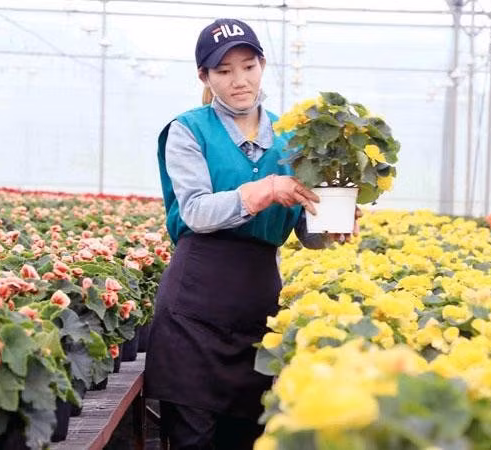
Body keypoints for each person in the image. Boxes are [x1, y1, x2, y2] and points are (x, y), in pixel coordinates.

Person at [144, 18, 358, 450]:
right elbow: (197, 211)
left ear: (262, 65)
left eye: (248, 66)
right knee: (192, 439)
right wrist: (261, 192)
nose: (238, 80)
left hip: (255, 308)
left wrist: (332, 226)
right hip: (193, 305)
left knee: (244, 437)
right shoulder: (188, 130)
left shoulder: (294, 138)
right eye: (223, 71)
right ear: (205, 77)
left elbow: (303, 232)